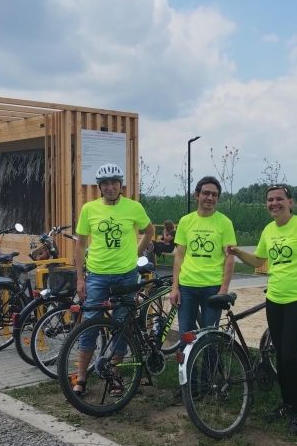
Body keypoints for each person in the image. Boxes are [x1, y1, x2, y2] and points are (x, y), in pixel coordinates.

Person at [228, 185, 297, 435]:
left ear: (290, 202)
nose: (274, 203)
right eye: (270, 200)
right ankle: (286, 404)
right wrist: (238, 252)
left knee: (291, 357)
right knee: (281, 357)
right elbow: (259, 261)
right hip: (274, 299)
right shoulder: (269, 230)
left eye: (279, 199)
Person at [73, 163, 154, 396]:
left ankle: (115, 375)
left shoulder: (134, 207)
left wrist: (136, 252)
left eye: (114, 183)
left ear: (120, 185)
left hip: (126, 275)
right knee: (90, 322)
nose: (110, 187)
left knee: (122, 324)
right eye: (105, 184)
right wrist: (80, 278)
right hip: (97, 275)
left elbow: (149, 231)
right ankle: (81, 376)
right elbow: (80, 245)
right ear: (100, 187)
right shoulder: (89, 209)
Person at [169, 177, 236, 341]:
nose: (210, 198)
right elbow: (179, 256)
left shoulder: (225, 223)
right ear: (197, 195)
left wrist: (224, 289)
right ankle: (187, 360)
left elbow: (229, 258)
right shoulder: (185, 221)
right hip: (187, 287)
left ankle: (209, 360)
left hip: (212, 287)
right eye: (206, 193)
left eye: (214, 194)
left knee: (210, 336)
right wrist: (175, 287)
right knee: (186, 335)